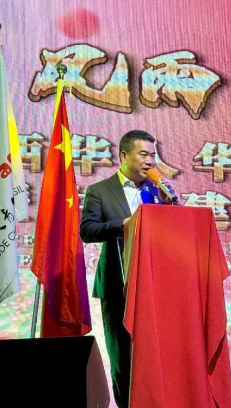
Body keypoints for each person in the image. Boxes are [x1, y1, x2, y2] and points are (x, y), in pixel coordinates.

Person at [80, 130, 173, 408]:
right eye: (144, 154)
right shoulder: (100, 190)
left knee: (156, 356)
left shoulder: (157, 191)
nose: (150, 161)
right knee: (123, 358)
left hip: (155, 286)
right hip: (117, 285)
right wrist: (123, 224)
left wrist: (170, 208)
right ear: (124, 155)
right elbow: (87, 230)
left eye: (153, 156)